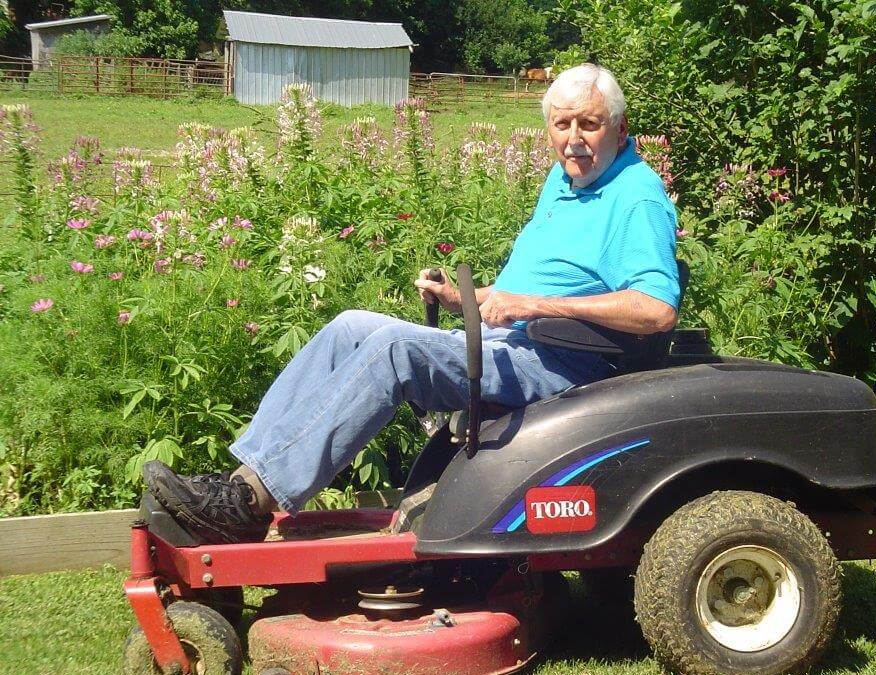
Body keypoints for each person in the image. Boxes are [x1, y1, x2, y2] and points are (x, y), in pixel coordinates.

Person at [143, 63, 681, 545]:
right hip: (511, 340)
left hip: (560, 364)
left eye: (589, 124)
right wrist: (465, 298)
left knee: (395, 349)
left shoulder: (636, 196)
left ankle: (253, 500)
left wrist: (532, 304)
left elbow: (655, 309)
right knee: (350, 327)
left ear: (620, 128)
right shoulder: (565, 184)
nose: (573, 140)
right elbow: (529, 290)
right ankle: (241, 490)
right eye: (561, 125)